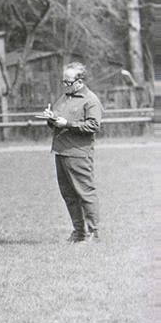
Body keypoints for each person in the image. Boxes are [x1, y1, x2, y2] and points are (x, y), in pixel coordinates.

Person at [42, 62, 102, 243]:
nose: (65, 85)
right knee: (68, 194)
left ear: (80, 82)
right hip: (61, 151)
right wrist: (51, 118)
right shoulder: (64, 98)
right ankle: (78, 232)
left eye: (68, 82)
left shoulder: (91, 100)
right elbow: (58, 120)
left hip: (78, 153)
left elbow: (93, 125)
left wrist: (67, 124)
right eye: (63, 82)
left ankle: (93, 233)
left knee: (85, 192)